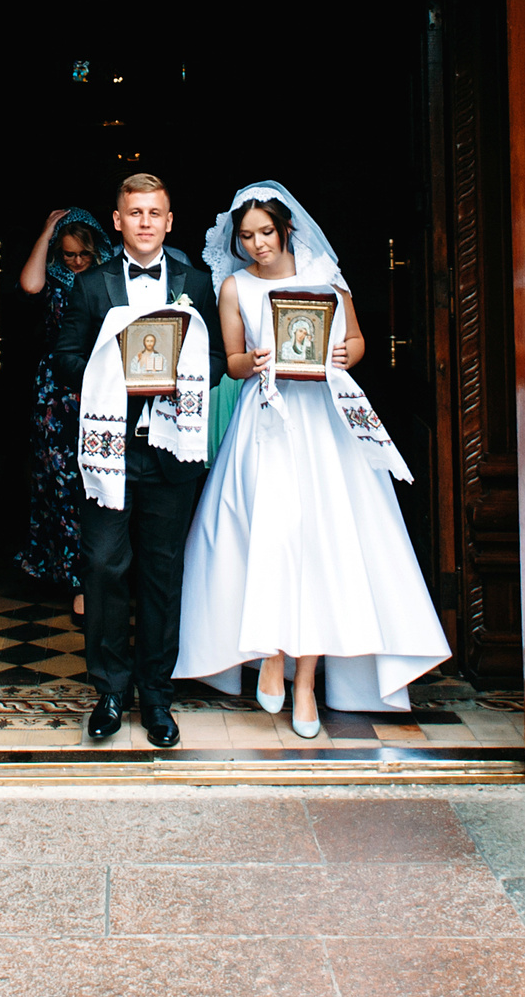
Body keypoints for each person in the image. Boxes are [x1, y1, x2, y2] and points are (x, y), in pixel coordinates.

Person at [177, 182, 451, 737]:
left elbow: (356, 340)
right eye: (247, 236)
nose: (257, 245)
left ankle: (307, 683)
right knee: (267, 535)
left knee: (324, 543)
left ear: (285, 230)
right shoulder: (234, 287)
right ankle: (270, 655)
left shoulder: (322, 274)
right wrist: (249, 361)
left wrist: (350, 351)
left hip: (324, 421)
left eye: (266, 234)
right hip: (267, 421)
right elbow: (229, 362)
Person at [50, 173, 225, 748]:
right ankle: (108, 691)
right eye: (136, 212)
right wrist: (119, 376)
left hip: (172, 451)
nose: (146, 222)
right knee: (103, 567)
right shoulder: (92, 286)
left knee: (161, 572)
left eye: (156, 213)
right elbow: (67, 359)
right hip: (111, 449)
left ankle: (156, 697)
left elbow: (219, 357)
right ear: (119, 220)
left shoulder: (197, 284)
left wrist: (178, 378)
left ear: (169, 222)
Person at [15, 207, 106, 612]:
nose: (76, 262)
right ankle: (65, 575)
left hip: (101, 382)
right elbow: (29, 284)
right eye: (68, 254)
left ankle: (94, 578)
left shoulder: (108, 278)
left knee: (96, 482)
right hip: (57, 392)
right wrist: (48, 230)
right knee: (57, 481)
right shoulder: (53, 275)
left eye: (82, 254)